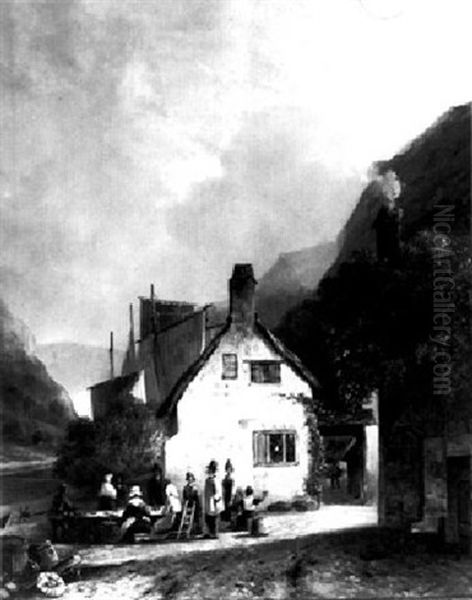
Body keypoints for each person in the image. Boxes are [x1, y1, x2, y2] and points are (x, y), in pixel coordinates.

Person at [203, 460, 221, 538]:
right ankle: (208, 532)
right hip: (208, 500)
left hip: (213, 501)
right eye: (209, 471)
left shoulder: (215, 481)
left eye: (212, 471)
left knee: (214, 518)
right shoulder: (207, 480)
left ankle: (214, 533)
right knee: (208, 517)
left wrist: (216, 498)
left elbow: (217, 491)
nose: (210, 473)